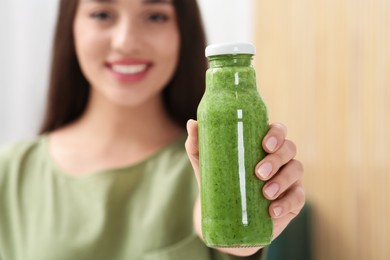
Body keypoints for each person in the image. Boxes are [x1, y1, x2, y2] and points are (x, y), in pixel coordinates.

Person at [0, 0, 305, 259]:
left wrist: (235, 237)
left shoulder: (208, 168)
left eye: (155, 16)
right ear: (71, 25)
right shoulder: (10, 172)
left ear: (182, 30)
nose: (126, 41)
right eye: (102, 14)